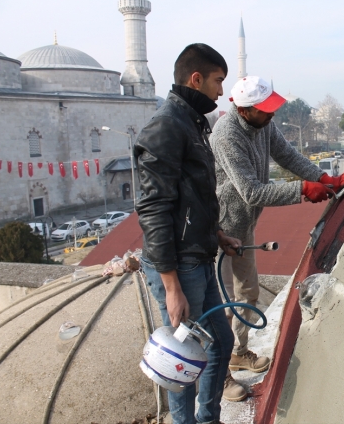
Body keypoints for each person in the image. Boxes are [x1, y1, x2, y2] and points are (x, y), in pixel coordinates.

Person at [209, 76, 344, 401]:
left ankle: (239, 351)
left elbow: (288, 156)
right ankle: (221, 377)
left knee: (249, 292)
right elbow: (250, 191)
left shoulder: (262, 125)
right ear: (245, 111)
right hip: (219, 230)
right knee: (222, 306)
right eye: (266, 110)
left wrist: (322, 177)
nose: (272, 114)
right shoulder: (226, 134)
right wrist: (302, 190)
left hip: (243, 226)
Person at [135, 43, 242, 424]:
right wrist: (171, 285)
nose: (220, 91)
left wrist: (215, 234)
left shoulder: (191, 123)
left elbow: (192, 197)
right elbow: (153, 208)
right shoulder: (166, 126)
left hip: (197, 255)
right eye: (217, 81)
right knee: (182, 361)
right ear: (195, 79)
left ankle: (208, 418)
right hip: (178, 265)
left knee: (221, 342)